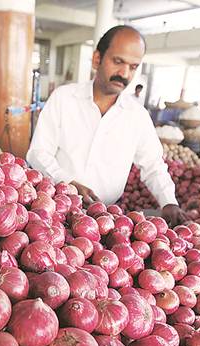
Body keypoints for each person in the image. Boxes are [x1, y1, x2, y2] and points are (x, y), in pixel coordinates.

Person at [27, 25, 186, 225]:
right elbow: (38, 152)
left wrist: (168, 201)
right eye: (118, 61)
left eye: (133, 66)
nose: (124, 73)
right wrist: (65, 182)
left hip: (107, 220)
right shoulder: (64, 98)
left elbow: (153, 165)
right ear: (97, 59)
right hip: (56, 207)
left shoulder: (137, 116)